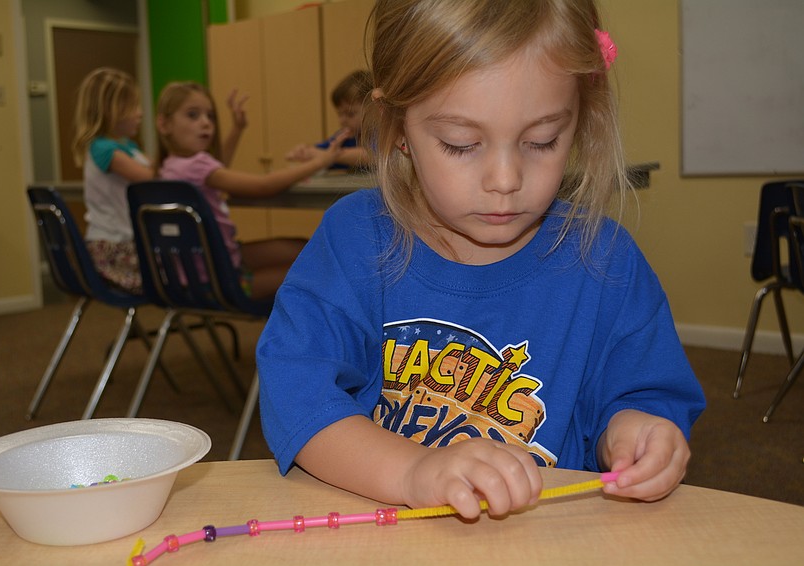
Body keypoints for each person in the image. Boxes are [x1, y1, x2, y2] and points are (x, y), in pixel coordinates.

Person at [257, 0, 706, 521]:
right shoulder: (355, 239)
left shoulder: (608, 263)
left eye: (542, 141)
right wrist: (411, 471)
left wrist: (637, 429)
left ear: (579, 118)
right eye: (461, 143)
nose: (505, 179)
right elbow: (297, 393)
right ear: (399, 127)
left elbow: (647, 394)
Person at [155, 81, 347, 300]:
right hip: (223, 281)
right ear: (164, 125)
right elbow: (262, 186)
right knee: (315, 266)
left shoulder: (171, 166)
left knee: (302, 248)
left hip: (200, 271)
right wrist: (319, 162)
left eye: (210, 116)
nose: (206, 123)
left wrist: (237, 129)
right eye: (193, 115)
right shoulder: (196, 166)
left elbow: (215, 167)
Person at [72, 67, 154, 294]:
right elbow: (150, 178)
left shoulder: (128, 146)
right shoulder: (104, 149)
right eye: (133, 106)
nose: (140, 113)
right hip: (114, 248)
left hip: (126, 242)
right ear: (111, 109)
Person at [285, 69, 370, 171]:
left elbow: (371, 156)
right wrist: (306, 151)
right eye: (340, 114)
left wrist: (328, 156)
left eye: (350, 114)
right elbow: (320, 150)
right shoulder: (343, 138)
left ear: (373, 110)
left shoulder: (380, 136)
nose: (342, 120)